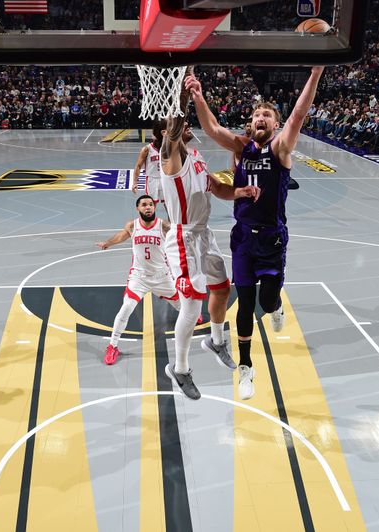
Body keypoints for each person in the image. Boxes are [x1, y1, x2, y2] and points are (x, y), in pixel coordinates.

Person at [186, 66, 324, 400]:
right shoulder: (241, 148)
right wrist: (198, 95)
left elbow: (300, 113)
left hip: (273, 238)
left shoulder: (281, 149)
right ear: (251, 123)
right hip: (244, 237)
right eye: (256, 114)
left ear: (275, 125)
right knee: (245, 304)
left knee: (265, 301)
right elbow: (211, 127)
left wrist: (316, 72)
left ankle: (276, 305)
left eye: (266, 115)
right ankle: (246, 368)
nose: (260, 117)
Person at [160, 69, 259, 400]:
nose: (187, 129)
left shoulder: (197, 157)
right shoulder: (169, 159)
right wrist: (186, 90)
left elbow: (217, 188)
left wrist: (240, 191)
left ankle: (216, 341)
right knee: (191, 307)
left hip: (204, 235)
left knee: (221, 288)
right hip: (183, 239)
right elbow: (174, 126)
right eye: (179, 128)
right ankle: (181, 368)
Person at [96, 195, 181, 365]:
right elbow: (122, 236)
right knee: (126, 308)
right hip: (139, 278)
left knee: (183, 307)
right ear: (138, 208)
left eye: (150, 204)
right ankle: (113, 346)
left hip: (162, 277)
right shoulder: (132, 226)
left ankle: (191, 315)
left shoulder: (163, 226)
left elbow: (179, 234)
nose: (148, 207)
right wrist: (108, 243)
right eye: (144, 205)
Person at [131, 122, 164, 205]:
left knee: (168, 205)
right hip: (152, 179)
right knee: (151, 204)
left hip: (165, 179)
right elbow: (138, 166)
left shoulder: (167, 148)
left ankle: (171, 218)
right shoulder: (147, 149)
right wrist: (135, 182)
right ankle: (152, 218)